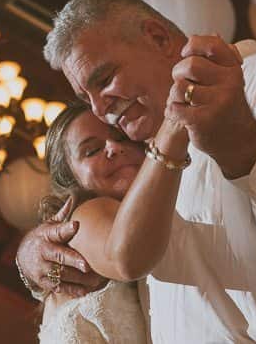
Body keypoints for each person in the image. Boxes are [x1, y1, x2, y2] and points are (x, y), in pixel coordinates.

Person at [16, 0, 256, 343]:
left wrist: (247, 148)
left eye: (104, 79)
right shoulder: (148, 170)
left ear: (159, 39)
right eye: (86, 96)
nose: (100, 109)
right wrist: (30, 257)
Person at [37, 102, 189, 343]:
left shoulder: (161, 208)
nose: (114, 147)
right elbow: (126, 258)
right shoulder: (84, 216)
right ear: (70, 179)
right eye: (91, 151)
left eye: (122, 137)